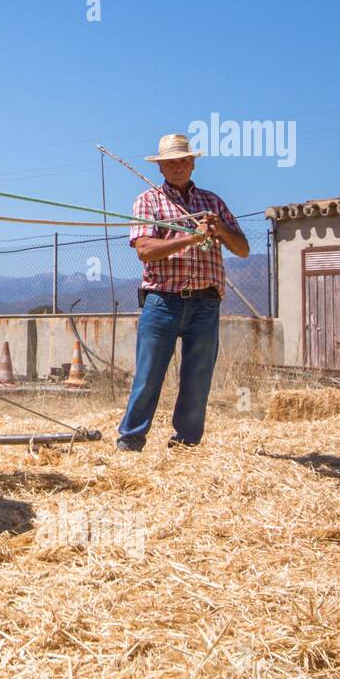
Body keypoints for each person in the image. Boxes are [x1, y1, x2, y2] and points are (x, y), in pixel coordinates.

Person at [116, 134, 250, 451]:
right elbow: (145, 250)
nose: (178, 166)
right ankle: (131, 439)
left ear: (192, 164)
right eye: (172, 162)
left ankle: (187, 443)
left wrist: (220, 230)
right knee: (148, 375)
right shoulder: (147, 201)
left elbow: (242, 249)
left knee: (198, 378)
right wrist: (190, 239)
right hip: (163, 301)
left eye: (184, 160)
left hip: (205, 303)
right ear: (160, 167)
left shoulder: (213, 203)